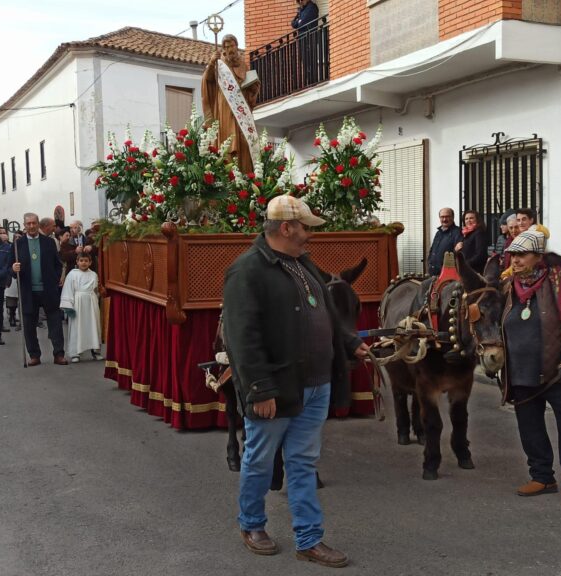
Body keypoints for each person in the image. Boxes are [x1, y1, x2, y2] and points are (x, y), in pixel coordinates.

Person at [222, 194, 368, 567]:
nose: (310, 235)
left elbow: (329, 315)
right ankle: (252, 524)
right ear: (286, 228)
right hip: (278, 388)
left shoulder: (304, 264)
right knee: (259, 460)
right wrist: (259, 389)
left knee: (303, 462)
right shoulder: (247, 271)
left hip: (316, 384)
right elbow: (242, 337)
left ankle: (309, 538)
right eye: (305, 228)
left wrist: (352, 344)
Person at [500, 229, 561, 507]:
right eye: (512, 255)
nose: (515, 260)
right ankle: (542, 477)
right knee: (529, 426)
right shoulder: (507, 288)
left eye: (521, 255)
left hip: (558, 371)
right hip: (521, 371)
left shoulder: (559, 282)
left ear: (538, 257)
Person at [11, 212, 68, 366]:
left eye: (33, 223)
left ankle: (59, 354)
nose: (31, 226)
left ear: (38, 224)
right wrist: (13, 268)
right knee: (29, 325)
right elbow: (11, 267)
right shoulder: (18, 244)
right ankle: (34, 355)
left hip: (48, 290)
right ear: (24, 225)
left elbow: (58, 264)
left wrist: (55, 278)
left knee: (55, 323)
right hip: (28, 291)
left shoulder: (48, 242)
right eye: (28, 223)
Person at [201, 34, 260, 175]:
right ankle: (228, 170)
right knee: (227, 137)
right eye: (226, 47)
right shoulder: (219, 64)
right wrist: (211, 63)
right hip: (225, 105)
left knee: (243, 140)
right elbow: (208, 80)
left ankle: (244, 170)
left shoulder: (242, 64)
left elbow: (249, 83)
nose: (229, 49)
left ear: (236, 46)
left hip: (241, 107)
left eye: (232, 46)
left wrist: (254, 87)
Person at [60, 253, 102, 363]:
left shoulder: (94, 274)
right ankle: (75, 353)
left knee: (93, 326)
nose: (83, 263)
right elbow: (68, 290)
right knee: (77, 327)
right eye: (81, 260)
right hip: (78, 303)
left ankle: (96, 351)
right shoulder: (72, 274)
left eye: (86, 261)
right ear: (77, 262)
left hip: (91, 303)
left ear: (90, 262)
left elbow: (96, 290)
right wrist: (69, 307)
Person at [427, 207, 462, 276]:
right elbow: (432, 250)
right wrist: (429, 262)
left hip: (447, 274)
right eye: (442, 217)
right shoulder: (438, 233)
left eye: (447, 217)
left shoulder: (458, 232)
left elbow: (458, 253)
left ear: (453, 217)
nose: (444, 219)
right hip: (433, 272)